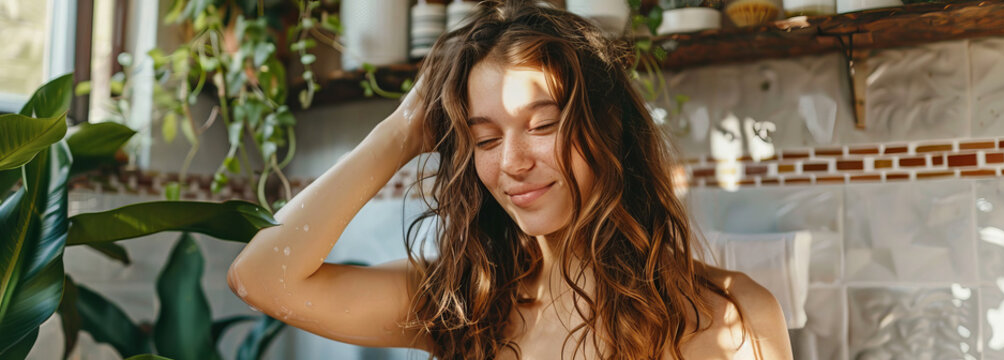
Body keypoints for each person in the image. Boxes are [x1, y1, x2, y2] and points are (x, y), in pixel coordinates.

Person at [227, 0, 792, 358]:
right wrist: (402, 128)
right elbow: (260, 279)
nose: (512, 163)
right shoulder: (464, 304)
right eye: (486, 139)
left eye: (542, 125)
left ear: (607, 127)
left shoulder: (729, 316)